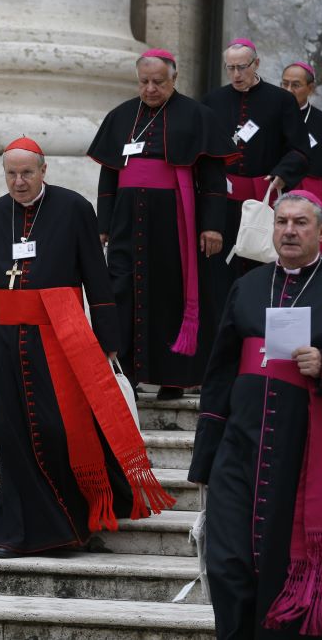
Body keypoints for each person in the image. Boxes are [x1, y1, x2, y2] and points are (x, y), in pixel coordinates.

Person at [189, 191, 322, 638]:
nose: (289, 230)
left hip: (307, 451)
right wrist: (206, 457)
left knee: (289, 568)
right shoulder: (247, 285)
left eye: (301, 223)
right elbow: (221, 369)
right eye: (282, 221)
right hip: (240, 448)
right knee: (227, 563)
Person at [0, 137, 174, 558]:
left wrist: (109, 341)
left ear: (43, 170)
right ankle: (29, 527)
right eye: (11, 174)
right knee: (13, 436)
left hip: (59, 337)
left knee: (59, 431)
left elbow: (97, 277)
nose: (18, 182)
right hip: (4, 341)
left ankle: (69, 520)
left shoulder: (74, 208)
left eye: (26, 173)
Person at [88, 49, 235, 400]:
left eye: (158, 82)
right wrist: (103, 224)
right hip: (126, 222)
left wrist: (212, 226)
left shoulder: (197, 116)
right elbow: (109, 176)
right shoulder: (121, 116)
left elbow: (213, 179)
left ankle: (174, 378)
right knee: (123, 293)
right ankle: (128, 374)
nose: (150, 89)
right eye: (144, 82)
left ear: (174, 78)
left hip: (175, 223)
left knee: (170, 295)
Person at [202, 39, 310, 288]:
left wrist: (282, 173)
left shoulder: (281, 100)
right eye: (230, 68)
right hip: (223, 201)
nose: (236, 74)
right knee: (221, 269)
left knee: (263, 266)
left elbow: (300, 150)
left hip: (265, 199)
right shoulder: (211, 102)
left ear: (256, 63)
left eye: (242, 67)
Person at [279, 61, 322, 236]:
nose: (288, 90)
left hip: (312, 197)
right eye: (284, 84)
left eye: (295, 85)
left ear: (311, 88)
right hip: (276, 194)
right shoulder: (270, 116)